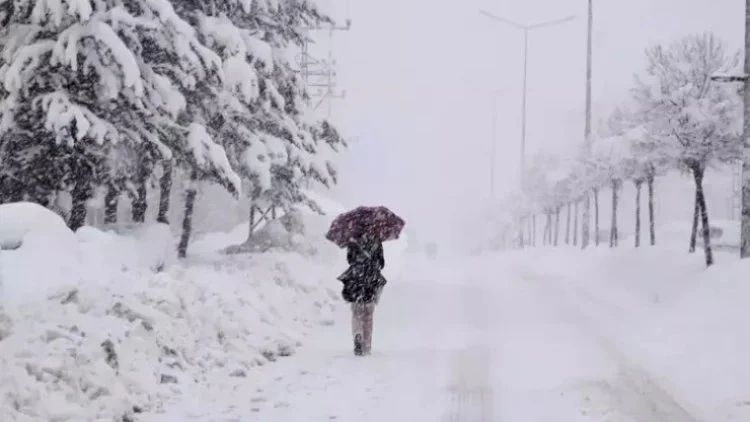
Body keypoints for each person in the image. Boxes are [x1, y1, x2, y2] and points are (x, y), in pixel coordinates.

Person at [337, 232, 386, 356]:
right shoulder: (376, 239)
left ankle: (357, 334)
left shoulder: (353, 239)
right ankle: (366, 344)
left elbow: (350, 259)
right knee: (368, 315)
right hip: (371, 280)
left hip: (356, 280)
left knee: (356, 313)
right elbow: (381, 262)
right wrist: (373, 263)